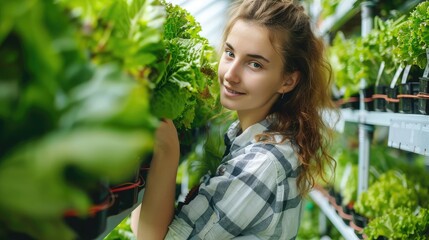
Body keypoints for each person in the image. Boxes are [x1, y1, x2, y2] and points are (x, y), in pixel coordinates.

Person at [131, 0, 336, 239]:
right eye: (230, 53)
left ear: (287, 81)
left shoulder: (261, 163)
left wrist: (167, 152)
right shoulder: (254, 139)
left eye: (255, 64)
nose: (230, 74)